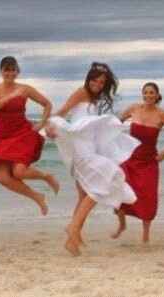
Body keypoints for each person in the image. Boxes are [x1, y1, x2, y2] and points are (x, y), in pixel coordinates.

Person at [45, 62, 139, 256]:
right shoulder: (80, 92)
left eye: (102, 82)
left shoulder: (95, 100)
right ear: (88, 80)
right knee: (103, 184)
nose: (97, 84)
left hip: (90, 146)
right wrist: (50, 127)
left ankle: (74, 236)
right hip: (81, 149)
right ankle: (73, 228)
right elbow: (62, 112)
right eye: (94, 80)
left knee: (83, 195)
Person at [0, 56, 59, 216]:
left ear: (17, 71)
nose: (10, 73)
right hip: (3, 137)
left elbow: (47, 104)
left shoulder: (25, 89)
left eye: (13, 69)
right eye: (6, 69)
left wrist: (41, 123)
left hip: (23, 134)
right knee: (2, 177)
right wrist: (11, 96)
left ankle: (46, 176)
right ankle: (37, 197)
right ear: (1, 71)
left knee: (19, 172)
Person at [111, 82, 164, 243]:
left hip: (149, 161)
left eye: (152, 93)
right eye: (146, 92)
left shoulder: (162, 115)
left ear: (157, 96)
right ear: (142, 94)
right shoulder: (133, 109)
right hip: (130, 158)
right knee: (119, 190)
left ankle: (145, 236)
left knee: (147, 197)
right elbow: (114, 125)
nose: (149, 95)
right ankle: (122, 225)